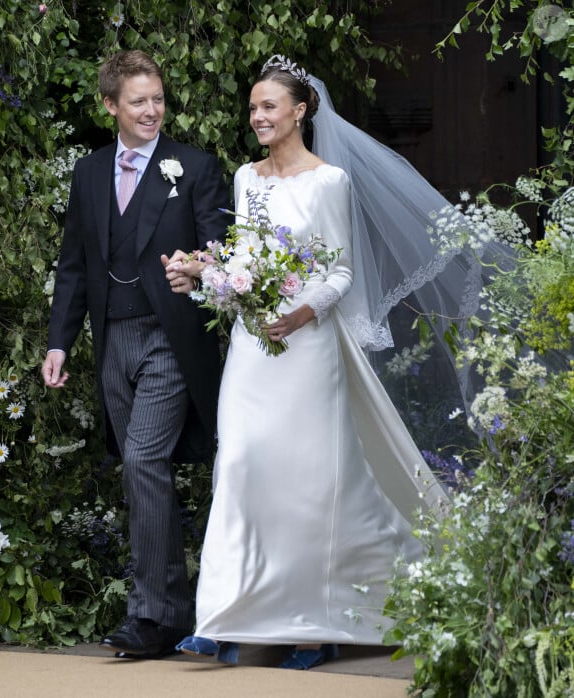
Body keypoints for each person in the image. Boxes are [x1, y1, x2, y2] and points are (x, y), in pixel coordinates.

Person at [163, 55, 451, 670]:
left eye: (268, 106)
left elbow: (341, 271)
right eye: (252, 108)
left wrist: (302, 313)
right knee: (239, 466)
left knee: (309, 485)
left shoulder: (330, 182)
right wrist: (205, 274)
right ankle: (222, 616)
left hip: (306, 344)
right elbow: (245, 261)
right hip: (252, 346)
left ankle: (319, 622)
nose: (257, 116)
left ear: (299, 111)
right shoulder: (245, 177)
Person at [41, 49, 229, 659]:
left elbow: (222, 252)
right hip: (111, 341)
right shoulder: (89, 173)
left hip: (171, 339)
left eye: (158, 99)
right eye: (138, 101)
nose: (152, 111)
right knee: (138, 465)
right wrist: (58, 342)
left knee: (145, 460)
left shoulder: (195, 167)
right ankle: (164, 608)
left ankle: (156, 616)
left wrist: (198, 270)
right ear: (110, 107)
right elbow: (74, 266)